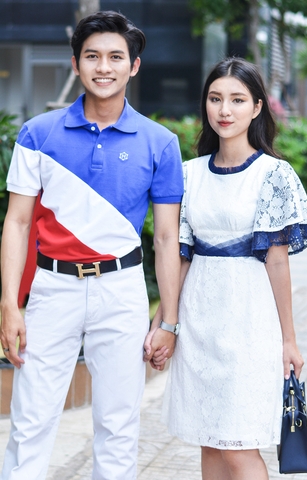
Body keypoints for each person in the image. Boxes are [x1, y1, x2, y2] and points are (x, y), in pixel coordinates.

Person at [0, 11, 183, 480]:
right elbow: (17, 223)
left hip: (120, 290)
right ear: (76, 64)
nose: (105, 67)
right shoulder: (37, 134)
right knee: (30, 420)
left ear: (134, 66)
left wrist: (169, 320)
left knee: (119, 423)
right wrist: (9, 303)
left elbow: (166, 238)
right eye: (93, 56)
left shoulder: (160, 143)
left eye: (116, 57)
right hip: (51, 287)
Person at [145, 57, 307, 479]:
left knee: (240, 445)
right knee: (210, 441)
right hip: (199, 316)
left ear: (257, 107)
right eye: (215, 98)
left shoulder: (273, 174)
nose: (225, 110)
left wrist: (289, 341)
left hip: (250, 319)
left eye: (237, 100)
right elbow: (179, 255)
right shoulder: (188, 175)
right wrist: (162, 323)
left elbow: (277, 260)